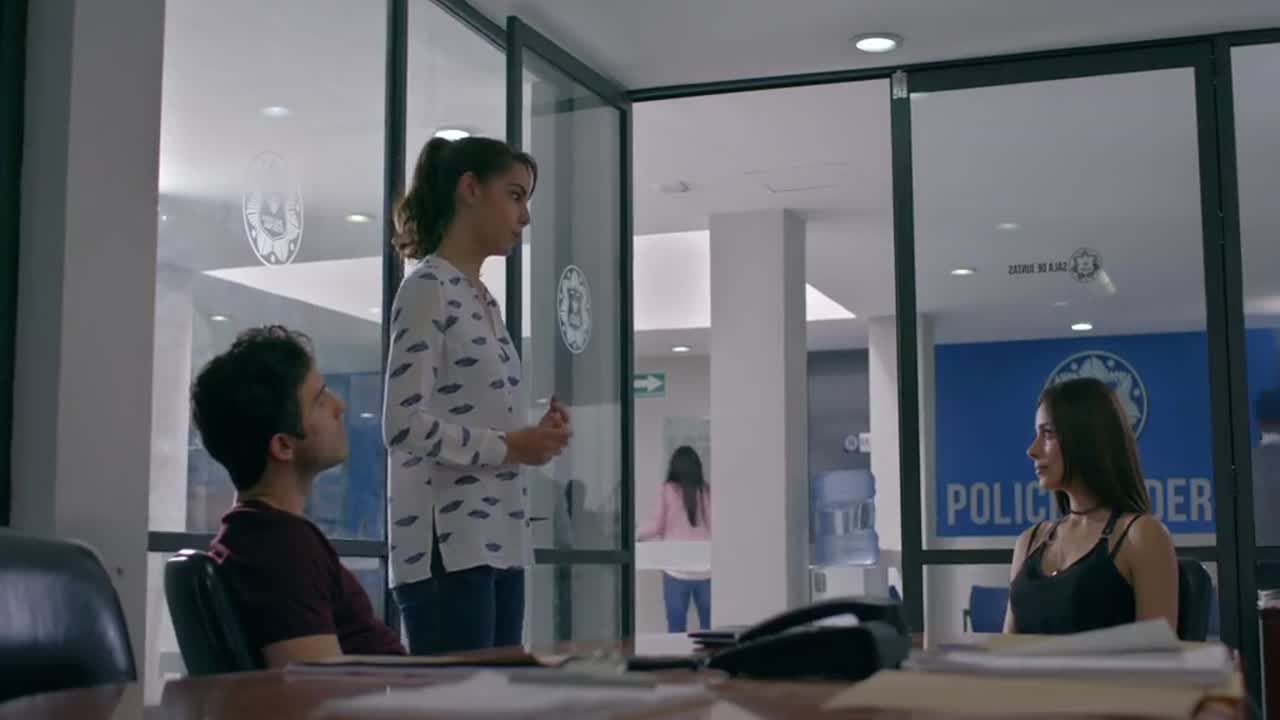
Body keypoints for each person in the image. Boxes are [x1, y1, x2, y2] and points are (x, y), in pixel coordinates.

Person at [383, 135, 572, 654]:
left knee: (498, 692)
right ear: (470, 189)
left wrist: (534, 438)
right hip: (447, 549)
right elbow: (401, 424)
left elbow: (476, 421)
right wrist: (511, 446)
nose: (525, 216)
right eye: (514, 195)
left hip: (502, 541)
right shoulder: (427, 288)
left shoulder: (481, 298)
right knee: (465, 695)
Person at [191, 326, 405, 666]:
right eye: (320, 400)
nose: (340, 406)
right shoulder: (280, 550)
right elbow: (315, 691)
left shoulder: (251, 535)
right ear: (283, 445)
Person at [1005, 377, 1179, 635]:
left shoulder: (1142, 535)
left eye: (1048, 434)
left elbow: (1157, 655)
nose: (1032, 450)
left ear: (1086, 438)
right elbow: (1006, 651)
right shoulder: (1028, 542)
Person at [637, 446, 711, 633]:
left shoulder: (668, 489)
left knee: (676, 629)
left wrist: (634, 535)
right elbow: (715, 526)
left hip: (675, 569)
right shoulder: (705, 490)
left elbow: (656, 525)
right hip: (705, 568)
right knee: (710, 629)